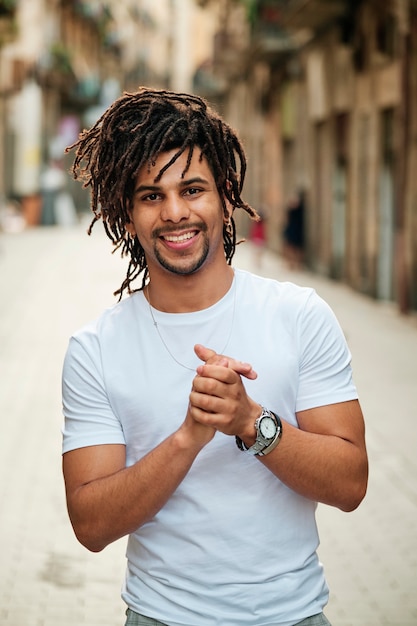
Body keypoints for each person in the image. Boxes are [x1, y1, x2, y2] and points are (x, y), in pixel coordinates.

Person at [62, 87, 368, 626]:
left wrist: (251, 422)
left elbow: (351, 485)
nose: (175, 212)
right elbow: (90, 526)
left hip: (294, 615)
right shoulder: (96, 350)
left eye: (193, 188)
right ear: (126, 214)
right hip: (160, 617)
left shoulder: (298, 314)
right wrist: (187, 438)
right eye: (151, 196)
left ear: (226, 195)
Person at [282, 190, 305, 269]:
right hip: (291, 229)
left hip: (297, 230)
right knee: (290, 247)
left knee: (297, 248)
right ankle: (290, 263)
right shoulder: (290, 210)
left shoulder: (300, 210)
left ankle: (297, 264)